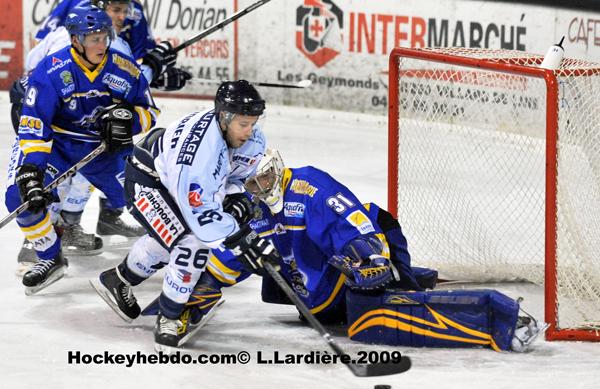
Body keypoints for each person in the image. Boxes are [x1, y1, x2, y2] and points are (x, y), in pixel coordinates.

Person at [143, 149, 547, 352]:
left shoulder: (308, 187)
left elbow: (353, 222)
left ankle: (501, 321)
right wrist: (183, 305)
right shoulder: (251, 214)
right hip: (319, 286)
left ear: (276, 166)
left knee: (372, 318)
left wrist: (370, 258)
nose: (261, 188)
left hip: (370, 246)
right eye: (251, 184)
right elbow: (225, 264)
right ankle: (411, 281)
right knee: (282, 286)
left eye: (265, 176)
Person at [91, 80, 280, 351]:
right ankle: (169, 316)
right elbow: (200, 217)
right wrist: (241, 239)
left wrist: (236, 197)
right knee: (191, 242)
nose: (249, 132)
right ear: (224, 117)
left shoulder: (248, 137)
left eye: (252, 123)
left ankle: (119, 279)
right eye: (243, 124)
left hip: (174, 181)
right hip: (148, 181)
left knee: (171, 237)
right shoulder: (199, 156)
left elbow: (235, 177)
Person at [11, 1, 190, 270]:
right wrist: (31, 169)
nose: (101, 44)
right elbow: (35, 119)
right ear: (76, 39)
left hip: (98, 144)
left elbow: (145, 106)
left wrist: (127, 120)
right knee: (24, 192)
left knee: (150, 200)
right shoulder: (55, 59)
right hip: (55, 135)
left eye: (104, 37)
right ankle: (45, 247)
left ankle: (191, 252)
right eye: (94, 39)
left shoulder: (120, 58)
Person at [36, 0, 155, 60]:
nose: (122, 17)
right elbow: (41, 43)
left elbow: (141, 56)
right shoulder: (74, 3)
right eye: (116, 10)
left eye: (124, 11)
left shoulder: (135, 10)